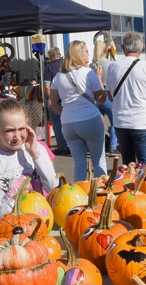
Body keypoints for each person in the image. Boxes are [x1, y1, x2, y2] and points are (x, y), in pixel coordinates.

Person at [0, 100, 58, 222]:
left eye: (21, 128)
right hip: (9, 230)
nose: (17, 136)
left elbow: (54, 188)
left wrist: (35, 154)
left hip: (41, 225)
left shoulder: (37, 149)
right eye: (9, 130)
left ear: (27, 124)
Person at [105, 31, 146, 165]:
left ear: (123, 48)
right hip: (142, 123)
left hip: (120, 123)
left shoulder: (112, 67)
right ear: (143, 47)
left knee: (128, 165)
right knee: (145, 165)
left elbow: (110, 97)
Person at [49, 40, 107, 181]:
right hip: (90, 120)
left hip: (68, 123)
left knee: (79, 165)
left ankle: (79, 197)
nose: (88, 54)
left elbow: (52, 103)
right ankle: (101, 196)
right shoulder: (88, 73)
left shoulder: (59, 76)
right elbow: (102, 99)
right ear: (79, 54)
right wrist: (100, 78)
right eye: (86, 51)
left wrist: (65, 113)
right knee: (98, 161)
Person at [91, 40, 119, 155]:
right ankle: (113, 146)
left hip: (95, 96)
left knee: (99, 123)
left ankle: (100, 145)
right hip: (107, 93)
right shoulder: (110, 64)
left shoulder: (92, 65)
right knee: (114, 122)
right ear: (105, 50)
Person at [43, 47, 69, 155]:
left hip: (56, 100)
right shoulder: (67, 64)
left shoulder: (49, 67)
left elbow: (46, 87)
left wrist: (48, 97)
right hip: (67, 98)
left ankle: (63, 147)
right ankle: (72, 144)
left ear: (50, 56)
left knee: (57, 123)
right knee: (68, 122)